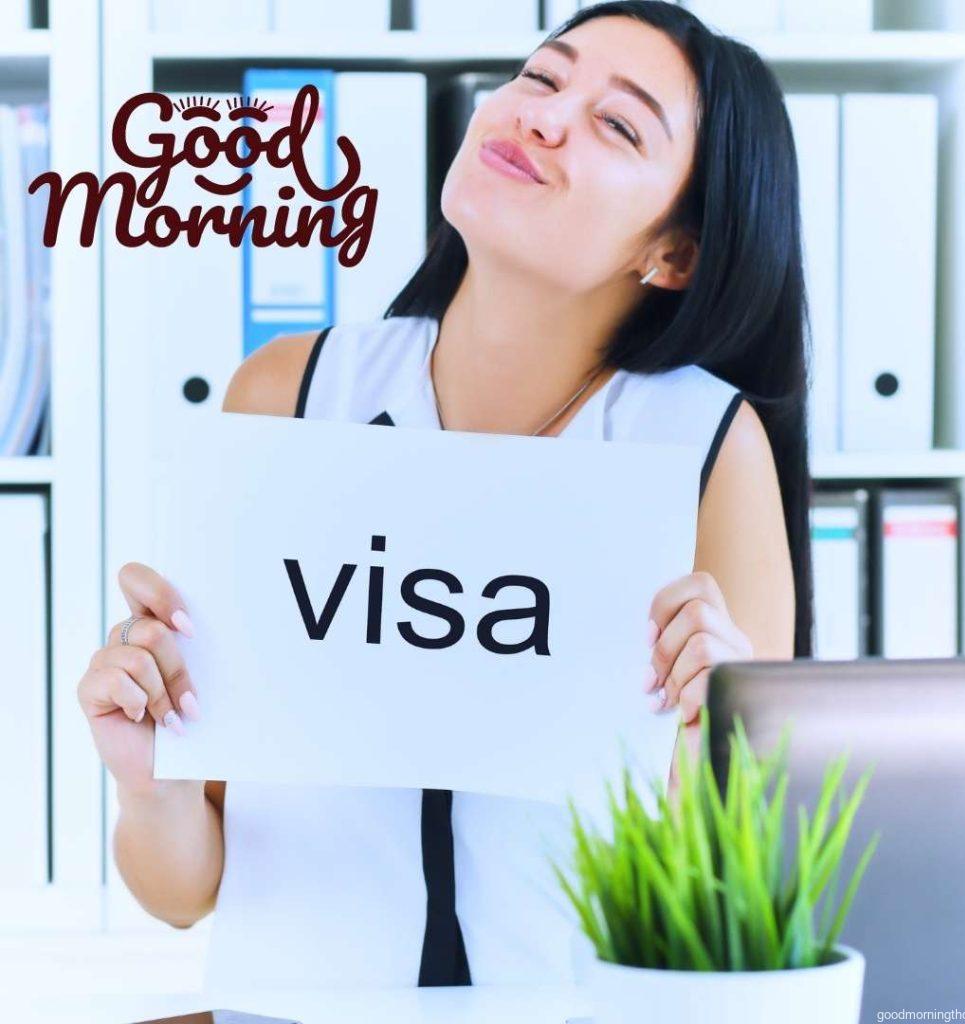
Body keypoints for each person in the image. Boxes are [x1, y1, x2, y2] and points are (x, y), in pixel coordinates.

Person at [76, 0, 807, 989]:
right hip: (292, 1010)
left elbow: (734, 894)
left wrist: (705, 739)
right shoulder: (286, 395)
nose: (542, 115)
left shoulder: (706, 448)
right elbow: (182, 892)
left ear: (672, 253)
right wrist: (145, 781)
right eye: (542, 78)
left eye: (618, 123)